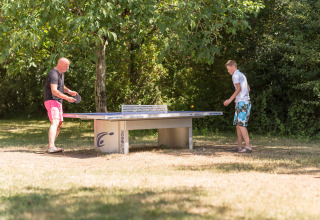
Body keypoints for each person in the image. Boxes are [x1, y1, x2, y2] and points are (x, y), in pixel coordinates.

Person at [44, 58, 77, 153]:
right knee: (55, 122)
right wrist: (67, 98)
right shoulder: (53, 74)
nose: (68, 67)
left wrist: (69, 91)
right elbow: (54, 90)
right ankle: (51, 147)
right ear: (60, 64)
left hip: (58, 101)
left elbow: (61, 86)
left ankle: (51, 146)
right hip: (51, 100)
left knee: (59, 124)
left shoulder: (61, 73)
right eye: (66, 65)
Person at [223, 60, 252, 153]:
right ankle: (239, 146)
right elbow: (248, 88)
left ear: (232, 66)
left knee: (241, 124)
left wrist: (229, 100)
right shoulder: (242, 75)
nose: (228, 71)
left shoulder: (235, 75)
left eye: (228, 69)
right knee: (238, 125)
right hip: (244, 102)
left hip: (242, 102)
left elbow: (239, 88)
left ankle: (248, 147)